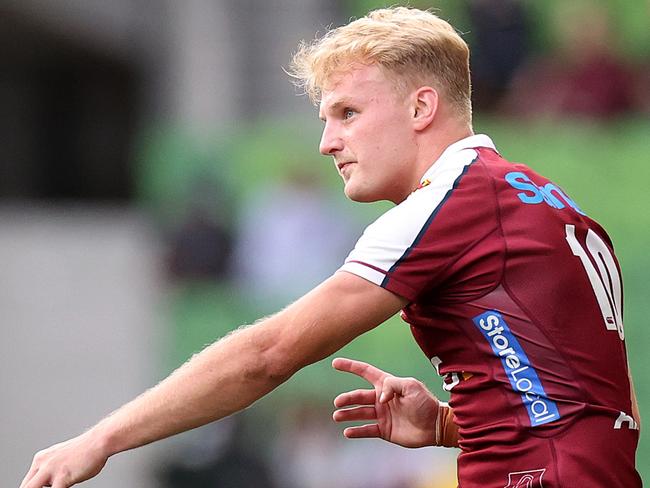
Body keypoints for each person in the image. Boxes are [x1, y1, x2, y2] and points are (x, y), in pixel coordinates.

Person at [20, 7, 641, 488]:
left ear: (422, 106)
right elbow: (605, 401)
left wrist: (100, 439)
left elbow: (270, 353)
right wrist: (451, 424)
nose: (327, 141)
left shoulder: (451, 204)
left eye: (346, 112)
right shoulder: (539, 197)